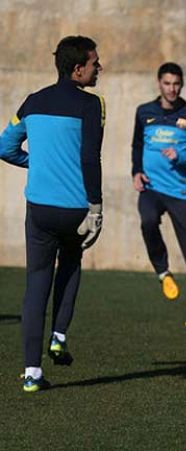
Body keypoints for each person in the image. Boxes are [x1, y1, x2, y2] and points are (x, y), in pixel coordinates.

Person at [0, 36, 104, 392]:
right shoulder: (93, 105)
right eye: (94, 63)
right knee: (71, 265)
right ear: (78, 69)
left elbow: (4, 148)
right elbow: (91, 158)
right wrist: (97, 206)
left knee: (36, 284)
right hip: (75, 209)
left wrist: (36, 163)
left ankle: (32, 374)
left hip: (40, 209)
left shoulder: (32, 102)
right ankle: (58, 336)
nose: (98, 68)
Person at [131, 63, 186, 327]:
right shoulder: (144, 112)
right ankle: (163, 272)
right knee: (147, 221)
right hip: (151, 188)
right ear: (159, 83)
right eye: (167, 83)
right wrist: (136, 171)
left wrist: (182, 155)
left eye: (176, 84)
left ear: (182, 84)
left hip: (181, 192)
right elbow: (136, 145)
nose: (172, 89)